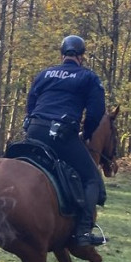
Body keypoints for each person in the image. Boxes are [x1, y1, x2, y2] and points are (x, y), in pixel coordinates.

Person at [23, 35, 108, 246]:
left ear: (62, 54)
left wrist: (31, 124)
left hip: (33, 130)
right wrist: (86, 134)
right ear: (81, 56)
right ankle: (83, 232)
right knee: (91, 178)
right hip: (61, 135)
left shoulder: (44, 74)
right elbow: (96, 112)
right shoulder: (89, 77)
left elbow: (31, 102)